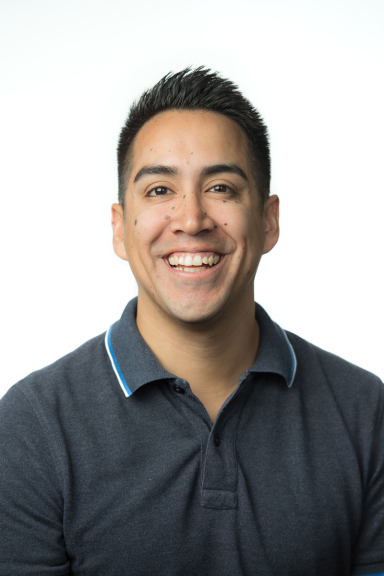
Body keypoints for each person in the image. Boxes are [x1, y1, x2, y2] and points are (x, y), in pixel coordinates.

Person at [0, 67, 383, 576]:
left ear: (268, 221)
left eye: (221, 187)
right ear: (119, 229)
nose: (191, 219)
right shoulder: (31, 428)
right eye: (159, 190)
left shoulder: (365, 414)